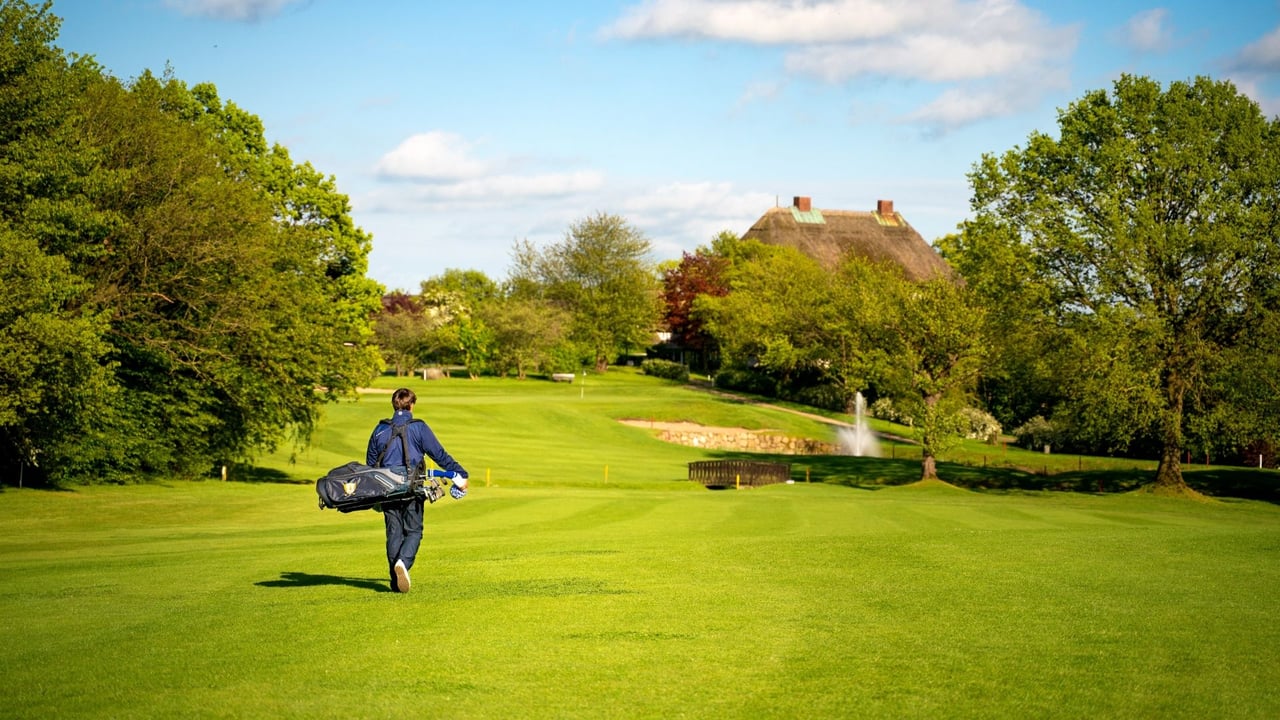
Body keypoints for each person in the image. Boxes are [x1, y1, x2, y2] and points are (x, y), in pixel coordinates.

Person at [365, 387, 469, 593]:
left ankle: (395, 582)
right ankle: (403, 563)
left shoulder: (379, 429)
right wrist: (460, 473)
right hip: (412, 487)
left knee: (394, 533)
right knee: (413, 531)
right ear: (411, 405)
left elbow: (369, 463)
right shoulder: (418, 427)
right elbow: (439, 454)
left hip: (386, 489)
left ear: (394, 405)